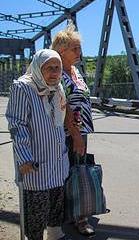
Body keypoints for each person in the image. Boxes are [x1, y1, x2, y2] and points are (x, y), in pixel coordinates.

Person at [6, 49, 69, 240]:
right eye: (49, 68)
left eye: (57, 68)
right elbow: (17, 124)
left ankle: (55, 235)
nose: (54, 72)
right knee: (36, 211)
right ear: (37, 68)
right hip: (35, 163)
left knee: (56, 204)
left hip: (58, 160)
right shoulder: (23, 87)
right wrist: (24, 158)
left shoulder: (58, 88)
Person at [51, 23, 95, 236]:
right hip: (69, 133)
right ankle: (79, 218)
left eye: (79, 48)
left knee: (76, 171)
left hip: (81, 131)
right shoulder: (58, 73)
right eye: (75, 48)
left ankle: (72, 213)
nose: (79, 52)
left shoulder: (74, 71)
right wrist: (76, 136)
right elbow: (65, 105)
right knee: (74, 172)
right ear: (61, 51)